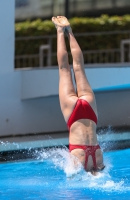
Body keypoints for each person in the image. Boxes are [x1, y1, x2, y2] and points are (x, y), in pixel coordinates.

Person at [52, 16, 105, 175]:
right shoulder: (92, 167)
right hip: (76, 125)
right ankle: (61, 31)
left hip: (90, 112)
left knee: (79, 67)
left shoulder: (99, 161)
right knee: (64, 69)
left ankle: (70, 31)